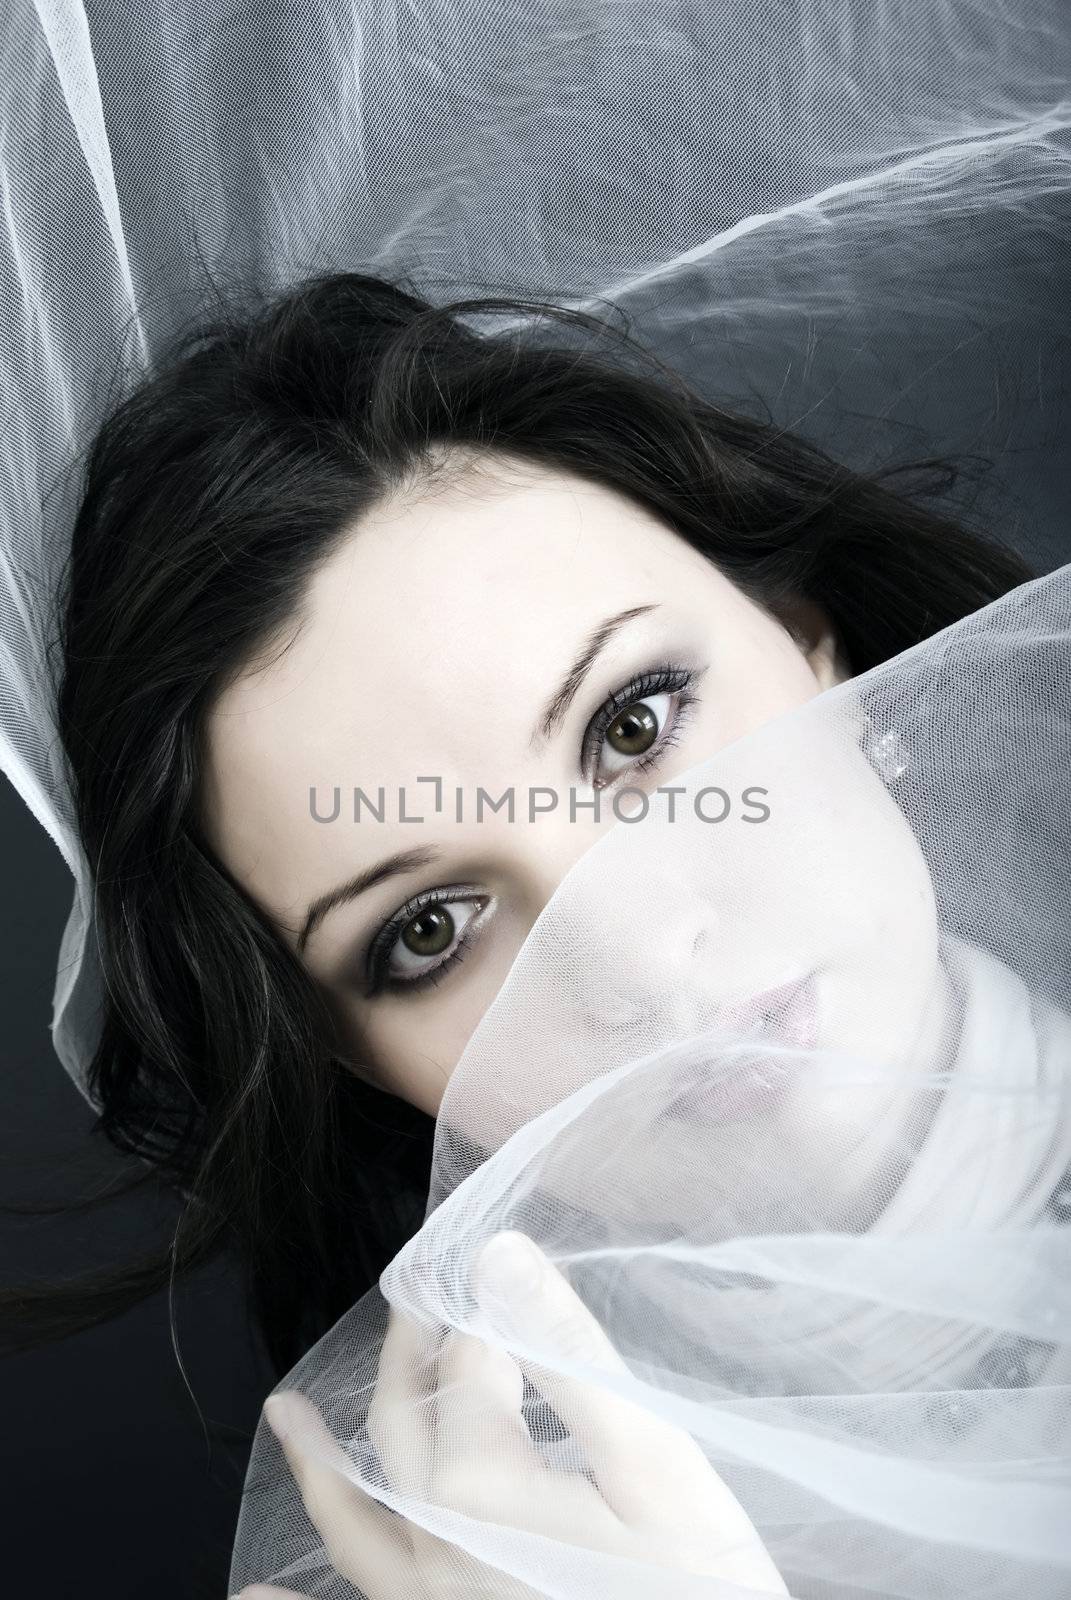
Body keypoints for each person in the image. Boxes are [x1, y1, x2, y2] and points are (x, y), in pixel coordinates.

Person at [9, 267, 1032, 1395]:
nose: (639, 960)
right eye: (432, 928)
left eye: (634, 724)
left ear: (806, 640)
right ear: (360, 1061)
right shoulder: (469, 1556)